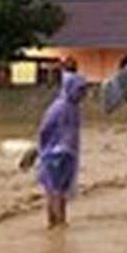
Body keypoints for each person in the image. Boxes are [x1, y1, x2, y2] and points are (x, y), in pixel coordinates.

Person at [36, 72, 87, 228]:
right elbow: (43, 130)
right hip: (54, 156)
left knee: (60, 192)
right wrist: (45, 149)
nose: (83, 94)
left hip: (67, 155)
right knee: (55, 192)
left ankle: (56, 223)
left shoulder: (74, 108)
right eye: (80, 90)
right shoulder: (59, 107)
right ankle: (58, 223)